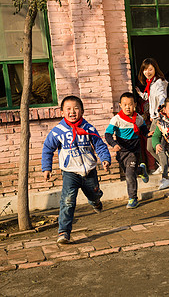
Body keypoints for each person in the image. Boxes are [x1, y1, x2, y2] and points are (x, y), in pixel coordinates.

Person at [42, 95, 111, 244]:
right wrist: (46, 168)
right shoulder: (58, 131)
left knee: (94, 194)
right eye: (68, 109)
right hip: (70, 172)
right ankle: (64, 232)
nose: (72, 112)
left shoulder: (88, 128)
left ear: (82, 111)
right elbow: (48, 149)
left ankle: (95, 201)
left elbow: (99, 145)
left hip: (89, 171)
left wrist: (105, 159)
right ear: (62, 112)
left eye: (76, 109)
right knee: (67, 201)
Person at [105, 92, 150, 209]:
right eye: (125, 104)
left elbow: (143, 129)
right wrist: (114, 144)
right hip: (121, 151)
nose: (127, 107)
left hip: (134, 151)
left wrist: (147, 133)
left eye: (130, 104)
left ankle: (133, 198)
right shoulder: (116, 119)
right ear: (120, 105)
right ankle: (141, 170)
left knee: (129, 175)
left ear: (135, 104)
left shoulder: (138, 118)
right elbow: (108, 134)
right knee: (130, 172)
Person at [135, 58, 169, 190]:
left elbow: (161, 95)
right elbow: (151, 97)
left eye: (150, 69)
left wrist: (162, 105)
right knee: (150, 147)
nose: (147, 72)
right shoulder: (151, 83)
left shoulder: (159, 82)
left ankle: (166, 178)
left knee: (156, 147)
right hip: (154, 118)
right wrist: (141, 94)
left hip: (159, 118)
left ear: (155, 69)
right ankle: (163, 164)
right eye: (145, 69)